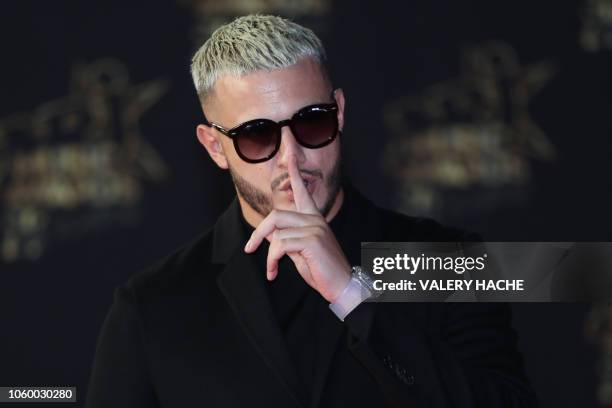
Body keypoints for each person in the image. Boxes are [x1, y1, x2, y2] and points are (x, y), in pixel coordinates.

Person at [86, 15, 536, 407]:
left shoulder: (445, 260)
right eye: (257, 136)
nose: (291, 156)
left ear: (339, 113)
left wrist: (352, 295)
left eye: (311, 121)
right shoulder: (155, 305)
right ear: (214, 146)